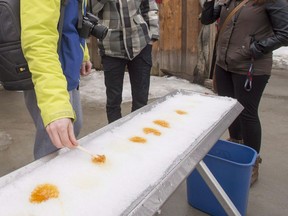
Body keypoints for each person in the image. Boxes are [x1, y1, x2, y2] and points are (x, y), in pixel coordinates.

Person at [200, 0, 288, 185]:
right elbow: (206, 20)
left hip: (251, 66)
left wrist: (257, 48)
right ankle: (236, 142)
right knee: (230, 110)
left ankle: (252, 161)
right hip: (224, 64)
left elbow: (285, 33)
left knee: (247, 113)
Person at [21, 0, 92, 159]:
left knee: (74, 127)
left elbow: (73, 20)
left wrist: (83, 54)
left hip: (68, 68)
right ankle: (47, 183)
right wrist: (55, 107)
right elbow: (38, 40)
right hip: (49, 75)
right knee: (53, 142)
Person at [91, 0, 160, 123]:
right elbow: (91, 9)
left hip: (140, 44)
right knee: (113, 101)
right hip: (111, 47)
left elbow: (149, 7)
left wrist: (152, 35)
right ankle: (115, 135)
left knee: (141, 99)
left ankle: (138, 133)